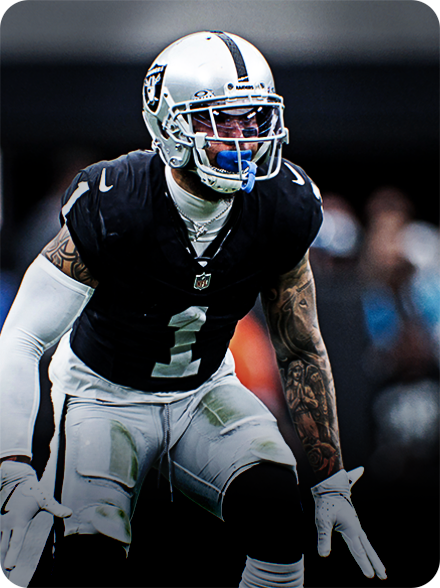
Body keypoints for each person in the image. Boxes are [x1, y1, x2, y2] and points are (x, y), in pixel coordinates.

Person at [0, 31, 386, 587]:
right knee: (90, 557)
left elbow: (300, 344)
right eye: (221, 121)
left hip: (204, 388)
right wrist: (13, 466)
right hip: (103, 396)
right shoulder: (117, 201)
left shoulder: (281, 203)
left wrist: (328, 481)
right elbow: (22, 337)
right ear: (169, 126)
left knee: (281, 518)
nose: (244, 140)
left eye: (253, 121)